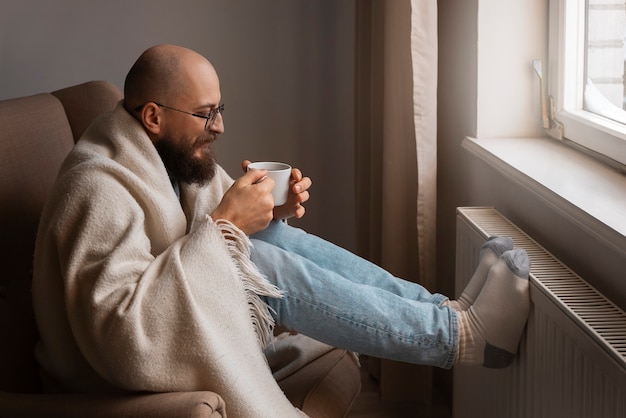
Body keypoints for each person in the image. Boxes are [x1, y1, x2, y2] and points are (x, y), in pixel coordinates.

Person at [32, 44, 531, 417]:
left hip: (155, 325)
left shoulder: (161, 158)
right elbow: (118, 332)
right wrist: (228, 225)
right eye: (206, 114)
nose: (220, 127)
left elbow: (218, 222)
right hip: (101, 379)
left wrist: (274, 209)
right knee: (254, 258)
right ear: (153, 117)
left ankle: (444, 312)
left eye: (220, 109)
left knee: (267, 240)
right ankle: (459, 338)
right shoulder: (96, 187)